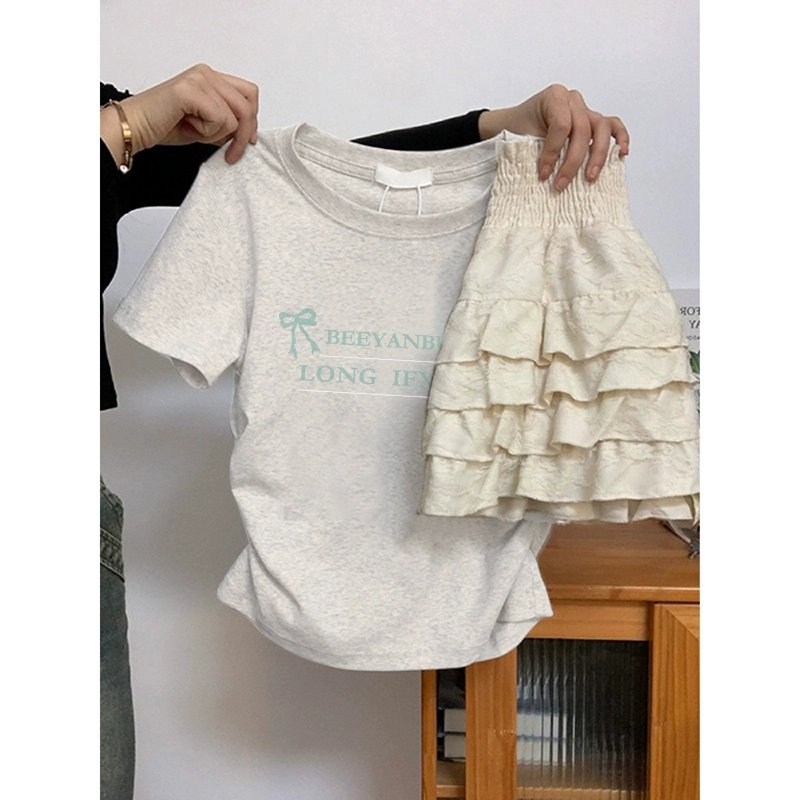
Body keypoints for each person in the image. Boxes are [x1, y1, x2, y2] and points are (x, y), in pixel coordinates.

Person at [100, 63, 629, 800]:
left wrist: (496, 127)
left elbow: (330, 170)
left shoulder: (546, 209)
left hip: (485, 580)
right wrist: (123, 126)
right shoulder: (226, 188)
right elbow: (279, 188)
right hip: (295, 575)